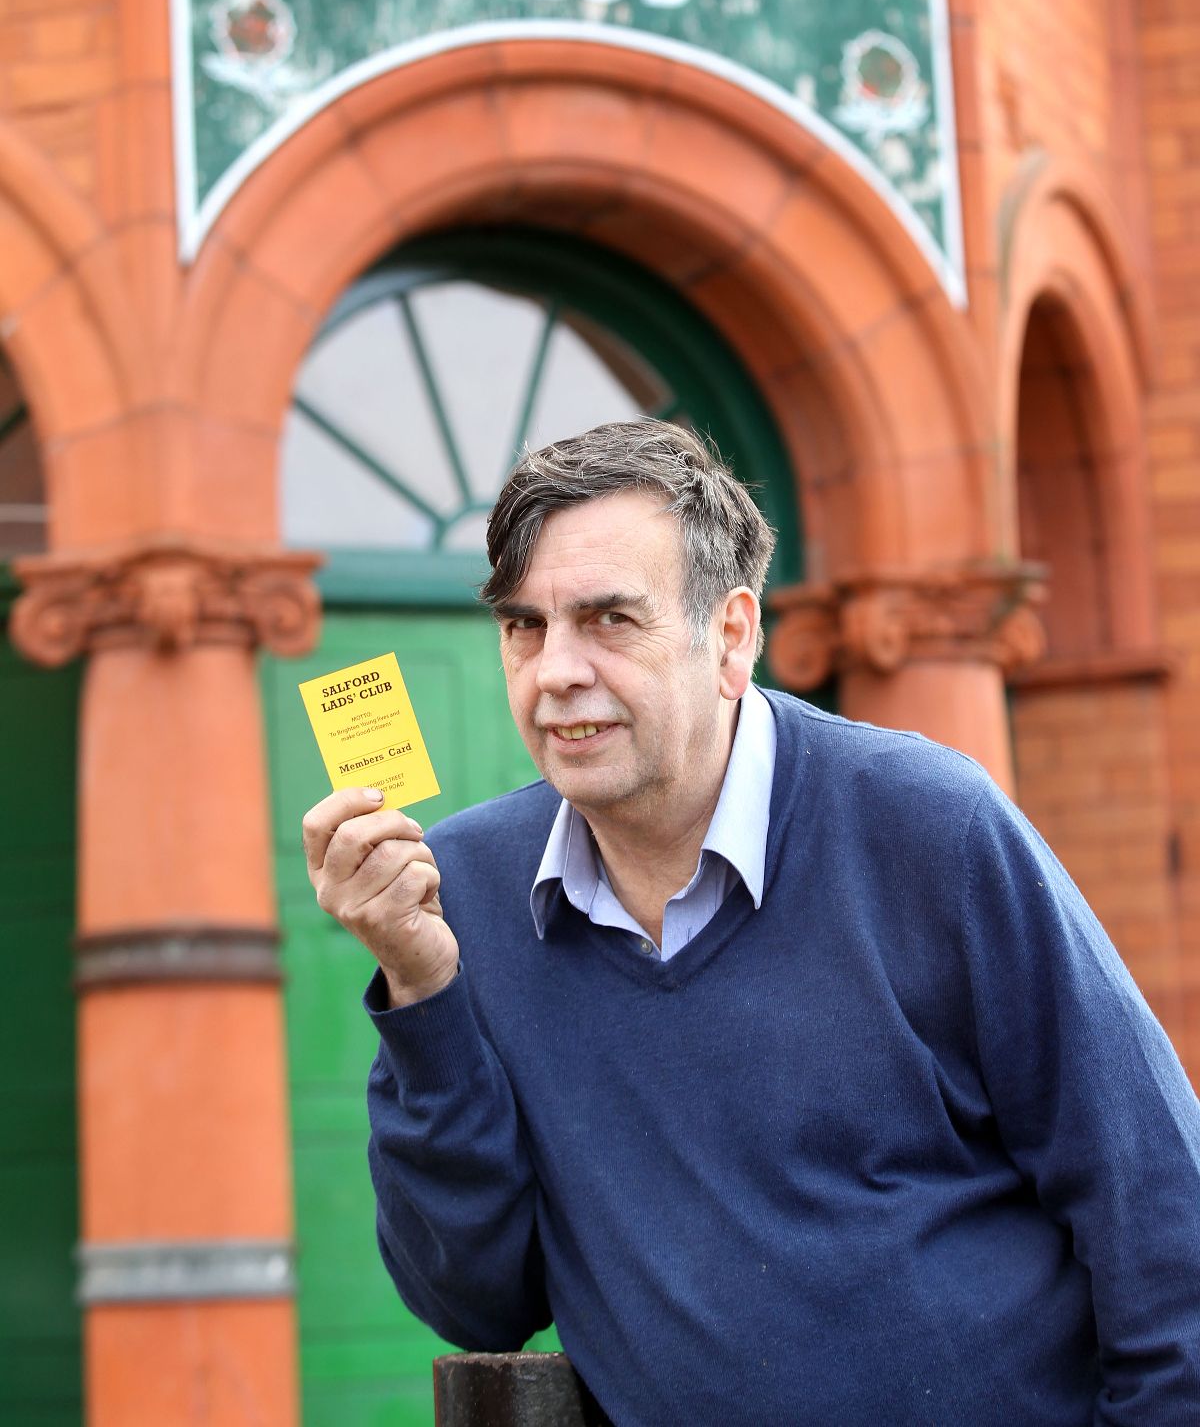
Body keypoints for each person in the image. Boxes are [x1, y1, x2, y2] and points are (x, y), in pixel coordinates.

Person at [302, 419, 1200, 1425]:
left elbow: (1159, 1211)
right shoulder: (461, 890)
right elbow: (474, 1298)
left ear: (731, 636)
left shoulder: (926, 826)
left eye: (608, 621)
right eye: (525, 626)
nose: (554, 671)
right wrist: (422, 989)